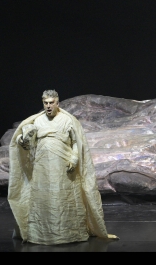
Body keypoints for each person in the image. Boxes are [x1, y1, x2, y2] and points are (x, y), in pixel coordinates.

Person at [8, 90, 118, 245]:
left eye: (51, 103)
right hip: (42, 167)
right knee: (43, 199)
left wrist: (74, 159)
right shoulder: (37, 121)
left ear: (57, 103)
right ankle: (40, 233)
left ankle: (69, 233)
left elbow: (76, 142)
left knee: (65, 198)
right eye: (45, 103)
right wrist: (23, 139)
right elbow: (28, 143)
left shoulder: (68, 120)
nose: (48, 106)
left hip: (64, 167)